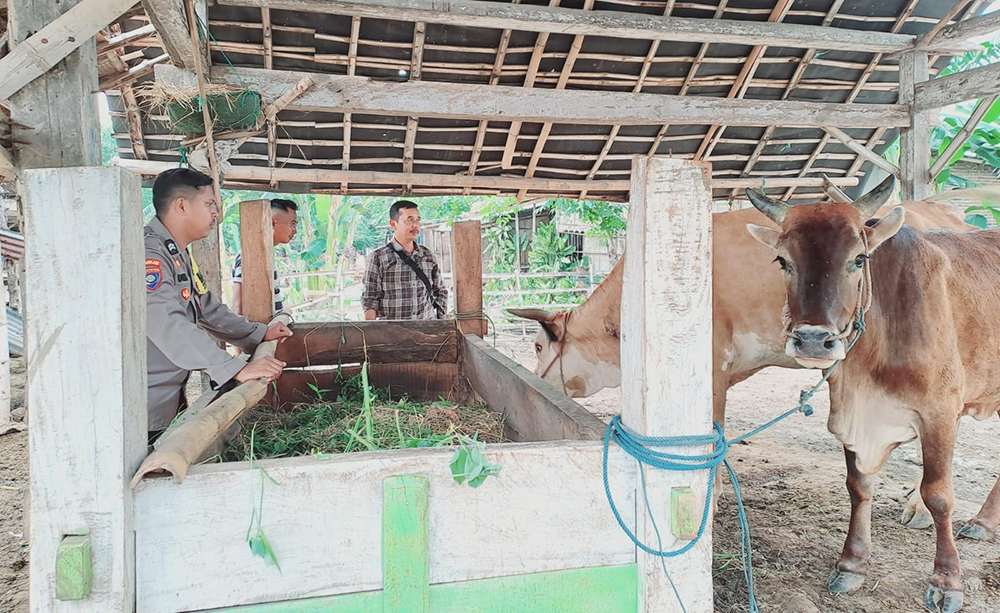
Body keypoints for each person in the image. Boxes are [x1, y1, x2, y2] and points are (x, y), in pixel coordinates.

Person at [144, 168, 292, 438]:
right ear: (181, 206)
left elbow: (205, 307)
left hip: (166, 395)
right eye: (210, 204)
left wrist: (258, 333)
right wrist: (233, 367)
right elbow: (166, 321)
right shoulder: (150, 253)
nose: (216, 214)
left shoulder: (177, 253)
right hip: (143, 402)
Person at [362, 200, 447, 320]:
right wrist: (371, 332)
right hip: (392, 333)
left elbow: (440, 291)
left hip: (427, 330)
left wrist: (441, 322)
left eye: (418, 219)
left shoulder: (427, 256)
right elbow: (370, 297)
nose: (415, 225)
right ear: (393, 224)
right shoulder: (378, 257)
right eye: (409, 220)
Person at [231, 198, 298, 315]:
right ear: (273, 223)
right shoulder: (250, 257)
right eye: (292, 224)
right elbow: (238, 306)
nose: (295, 231)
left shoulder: (265, 254)